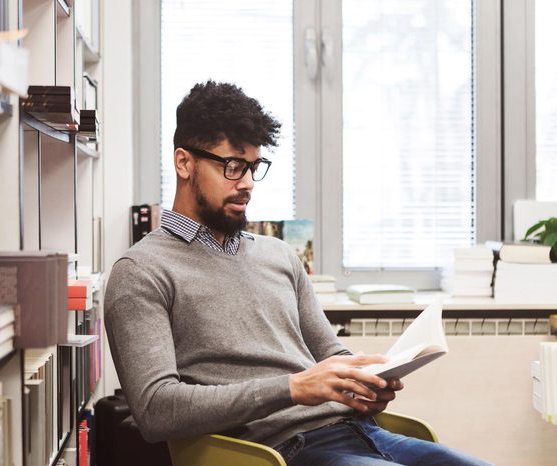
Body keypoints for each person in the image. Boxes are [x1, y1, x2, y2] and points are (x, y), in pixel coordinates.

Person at [104, 81, 491, 465]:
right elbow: (156, 410)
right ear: (184, 162)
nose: (248, 183)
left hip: (362, 432)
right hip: (278, 450)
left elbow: (330, 354)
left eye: (254, 167)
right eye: (233, 166)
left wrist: (366, 381)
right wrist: (292, 388)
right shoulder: (142, 272)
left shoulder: (280, 256)